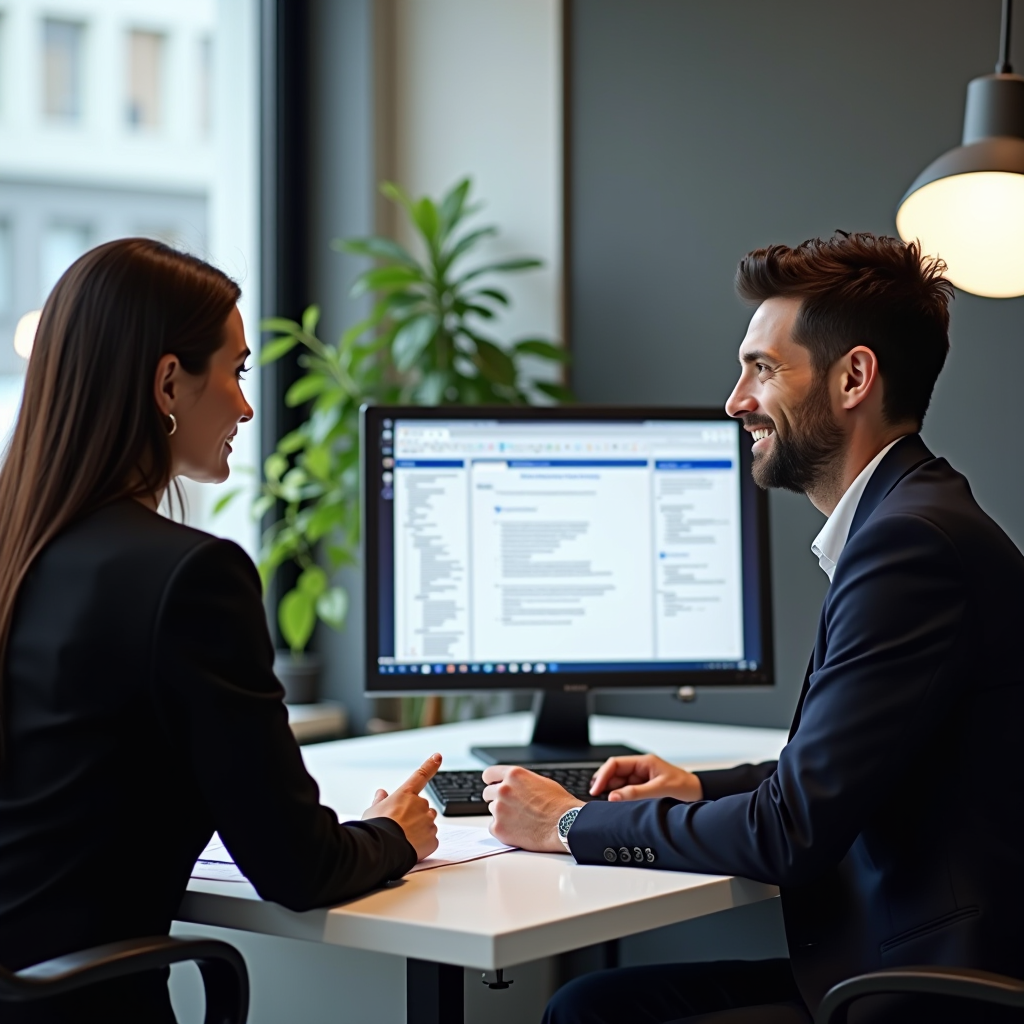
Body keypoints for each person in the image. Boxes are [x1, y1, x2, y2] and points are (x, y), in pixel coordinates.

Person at [482, 233, 1024, 1024]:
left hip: (923, 993)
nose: (737, 399)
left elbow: (790, 833)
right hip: (899, 959)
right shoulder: (917, 515)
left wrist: (568, 822)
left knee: (592, 1013)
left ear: (853, 378)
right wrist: (698, 786)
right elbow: (841, 772)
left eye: (763, 368)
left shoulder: (909, 545)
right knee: (595, 1002)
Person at [0, 238, 441, 1023]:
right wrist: (394, 832)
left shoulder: (18, 555)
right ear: (169, 381)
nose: (244, 406)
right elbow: (297, 867)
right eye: (236, 372)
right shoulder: (189, 578)